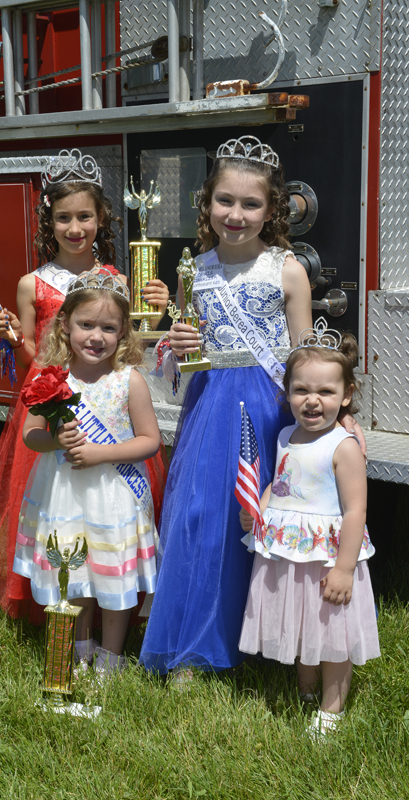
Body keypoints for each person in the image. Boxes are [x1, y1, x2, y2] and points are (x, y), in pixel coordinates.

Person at [139, 135, 313, 678]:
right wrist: (178, 345)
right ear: (207, 203)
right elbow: (180, 364)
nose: (236, 215)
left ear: (272, 210)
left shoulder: (287, 270)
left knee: (268, 514)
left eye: (251, 204)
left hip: (269, 407)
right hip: (210, 405)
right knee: (203, 517)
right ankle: (195, 644)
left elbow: (305, 356)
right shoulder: (193, 270)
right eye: (225, 201)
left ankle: (270, 637)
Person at [0, 150, 168, 623]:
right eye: (63, 218)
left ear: (101, 219)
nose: (75, 228)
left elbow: (130, 343)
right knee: (55, 508)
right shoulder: (32, 283)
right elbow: (33, 358)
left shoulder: (118, 279)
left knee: (110, 512)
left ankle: (115, 594)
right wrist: (13, 338)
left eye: (84, 217)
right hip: (55, 406)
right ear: (49, 221)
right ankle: (54, 600)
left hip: (109, 412)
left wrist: (158, 311)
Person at [14, 270, 161, 674]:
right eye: (86, 325)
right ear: (65, 323)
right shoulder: (51, 377)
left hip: (114, 496)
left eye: (109, 328)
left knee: (113, 575)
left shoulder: (128, 381)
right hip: (64, 494)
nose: (96, 337)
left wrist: (100, 453)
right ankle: (80, 650)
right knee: (74, 573)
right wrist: (56, 440)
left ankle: (111, 658)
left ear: (123, 331)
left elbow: (150, 440)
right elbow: (30, 435)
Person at [238, 326, 380, 736]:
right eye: (301, 390)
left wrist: (344, 569)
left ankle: (331, 709)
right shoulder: (286, 435)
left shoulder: (343, 446)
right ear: (287, 393)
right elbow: (279, 482)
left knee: (333, 631)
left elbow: (355, 511)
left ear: (347, 395)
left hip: (327, 556)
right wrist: (259, 510)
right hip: (289, 552)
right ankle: (305, 688)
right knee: (302, 622)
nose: (312, 400)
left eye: (326, 392)